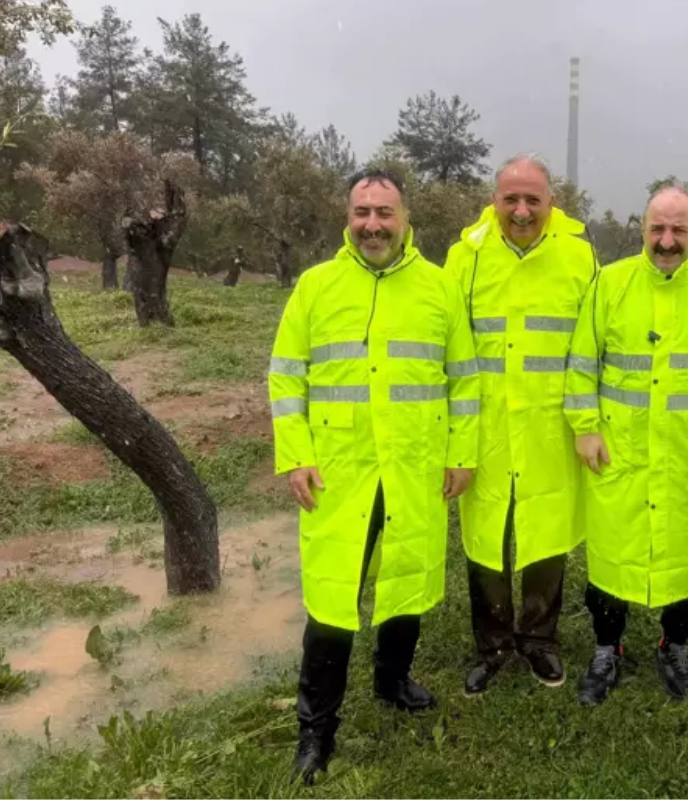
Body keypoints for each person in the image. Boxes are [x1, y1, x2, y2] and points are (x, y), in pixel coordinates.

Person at [268, 168, 480, 784]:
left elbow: (463, 378)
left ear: (405, 218)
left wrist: (461, 453)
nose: (373, 224)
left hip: (413, 463)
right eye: (363, 212)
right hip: (341, 470)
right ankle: (316, 729)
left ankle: (393, 681)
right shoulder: (315, 286)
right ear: (348, 216)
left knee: (407, 577)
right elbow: (286, 375)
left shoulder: (439, 290)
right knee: (334, 596)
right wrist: (296, 453)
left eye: (384, 212)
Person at [564, 186, 688, 706]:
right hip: (622, 451)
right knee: (612, 559)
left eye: (679, 230)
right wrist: (585, 426)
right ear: (642, 230)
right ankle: (606, 647)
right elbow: (582, 362)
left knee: (687, 561)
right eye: (657, 229)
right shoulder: (610, 284)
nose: (666, 241)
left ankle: (673, 645)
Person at [444, 154, 597, 693]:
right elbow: (450, 348)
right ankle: (492, 644)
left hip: (549, 426)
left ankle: (539, 640)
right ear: (494, 200)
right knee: (485, 540)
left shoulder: (579, 259)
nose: (522, 210)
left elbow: (589, 346)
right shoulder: (465, 258)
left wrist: (585, 420)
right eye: (511, 198)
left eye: (533, 198)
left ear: (552, 202)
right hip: (484, 426)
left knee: (545, 537)